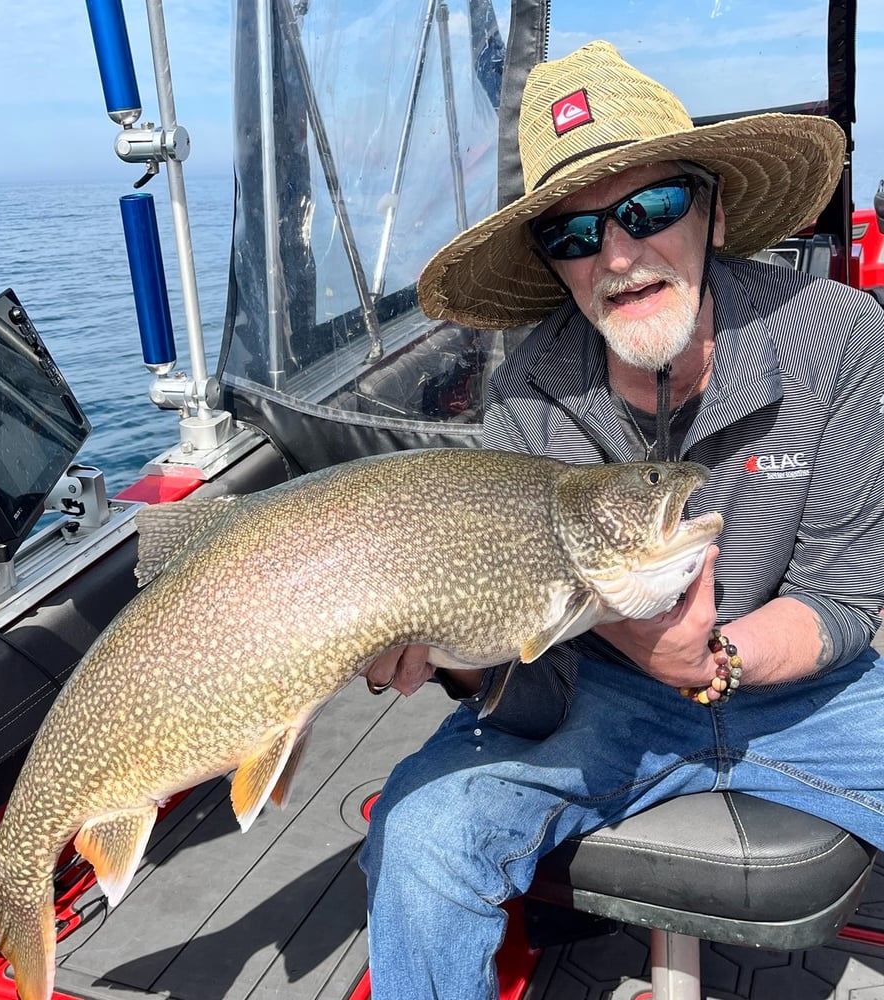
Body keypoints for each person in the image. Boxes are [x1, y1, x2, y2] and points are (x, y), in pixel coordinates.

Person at [358, 39, 884, 1000]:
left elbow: (848, 593)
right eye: (573, 235)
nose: (617, 253)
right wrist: (446, 652)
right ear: (551, 267)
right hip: (600, 699)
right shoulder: (524, 395)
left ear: (713, 208)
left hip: (812, 692)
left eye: (650, 208)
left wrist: (716, 657)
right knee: (422, 837)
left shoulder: (842, 334)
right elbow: (527, 656)